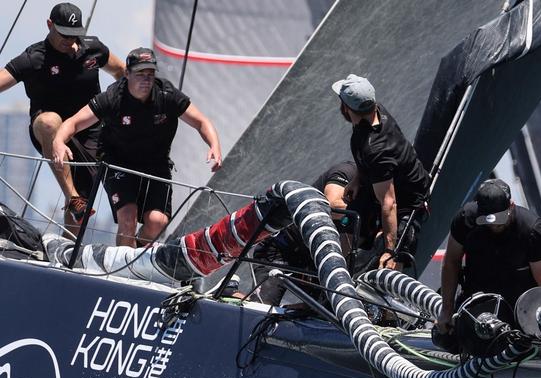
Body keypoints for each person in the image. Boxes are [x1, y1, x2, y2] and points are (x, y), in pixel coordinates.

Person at [52, 47, 222, 247]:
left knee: (157, 222)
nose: (146, 80)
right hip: (118, 163)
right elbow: (73, 123)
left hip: (156, 164)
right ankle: (122, 263)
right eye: (140, 74)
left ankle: (136, 259)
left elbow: (202, 122)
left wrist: (214, 146)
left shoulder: (166, 95)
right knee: (128, 217)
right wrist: (58, 142)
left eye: (150, 74)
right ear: (127, 73)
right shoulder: (113, 97)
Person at [0, 2, 125, 233]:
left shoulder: (92, 49)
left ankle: (67, 257)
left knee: (81, 213)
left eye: (74, 35)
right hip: (47, 128)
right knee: (50, 122)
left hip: (88, 132)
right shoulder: (34, 57)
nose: (70, 41)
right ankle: (72, 196)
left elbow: (121, 72)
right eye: (64, 34)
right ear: (49, 25)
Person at [332, 74, 429, 271]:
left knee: (388, 264)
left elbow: (389, 203)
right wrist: (358, 179)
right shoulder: (374, 111)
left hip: (405, 204)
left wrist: (389, 249)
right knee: (347, 228)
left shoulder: (375, 149)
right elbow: (369, 162)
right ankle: (333, 272)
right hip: (378, 183)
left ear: (347, 108)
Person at [436, 178, 541, 335]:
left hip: (520, 312)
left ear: (511, 206)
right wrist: (447, 309)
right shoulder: (466, 220)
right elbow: (451, 262)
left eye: (499, 222)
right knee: (445, 338)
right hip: (476, 305)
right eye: (488, 222)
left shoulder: (534, 232)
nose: (494, 227)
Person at [252, 160, 357, 305]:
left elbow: (350, 247)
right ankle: (230, 292)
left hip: (311, 260)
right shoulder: (346, 170)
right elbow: (330, 205)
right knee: (261, 307)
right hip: (282, 249)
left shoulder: (381, 208)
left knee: (327, 310)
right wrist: (363, 207)